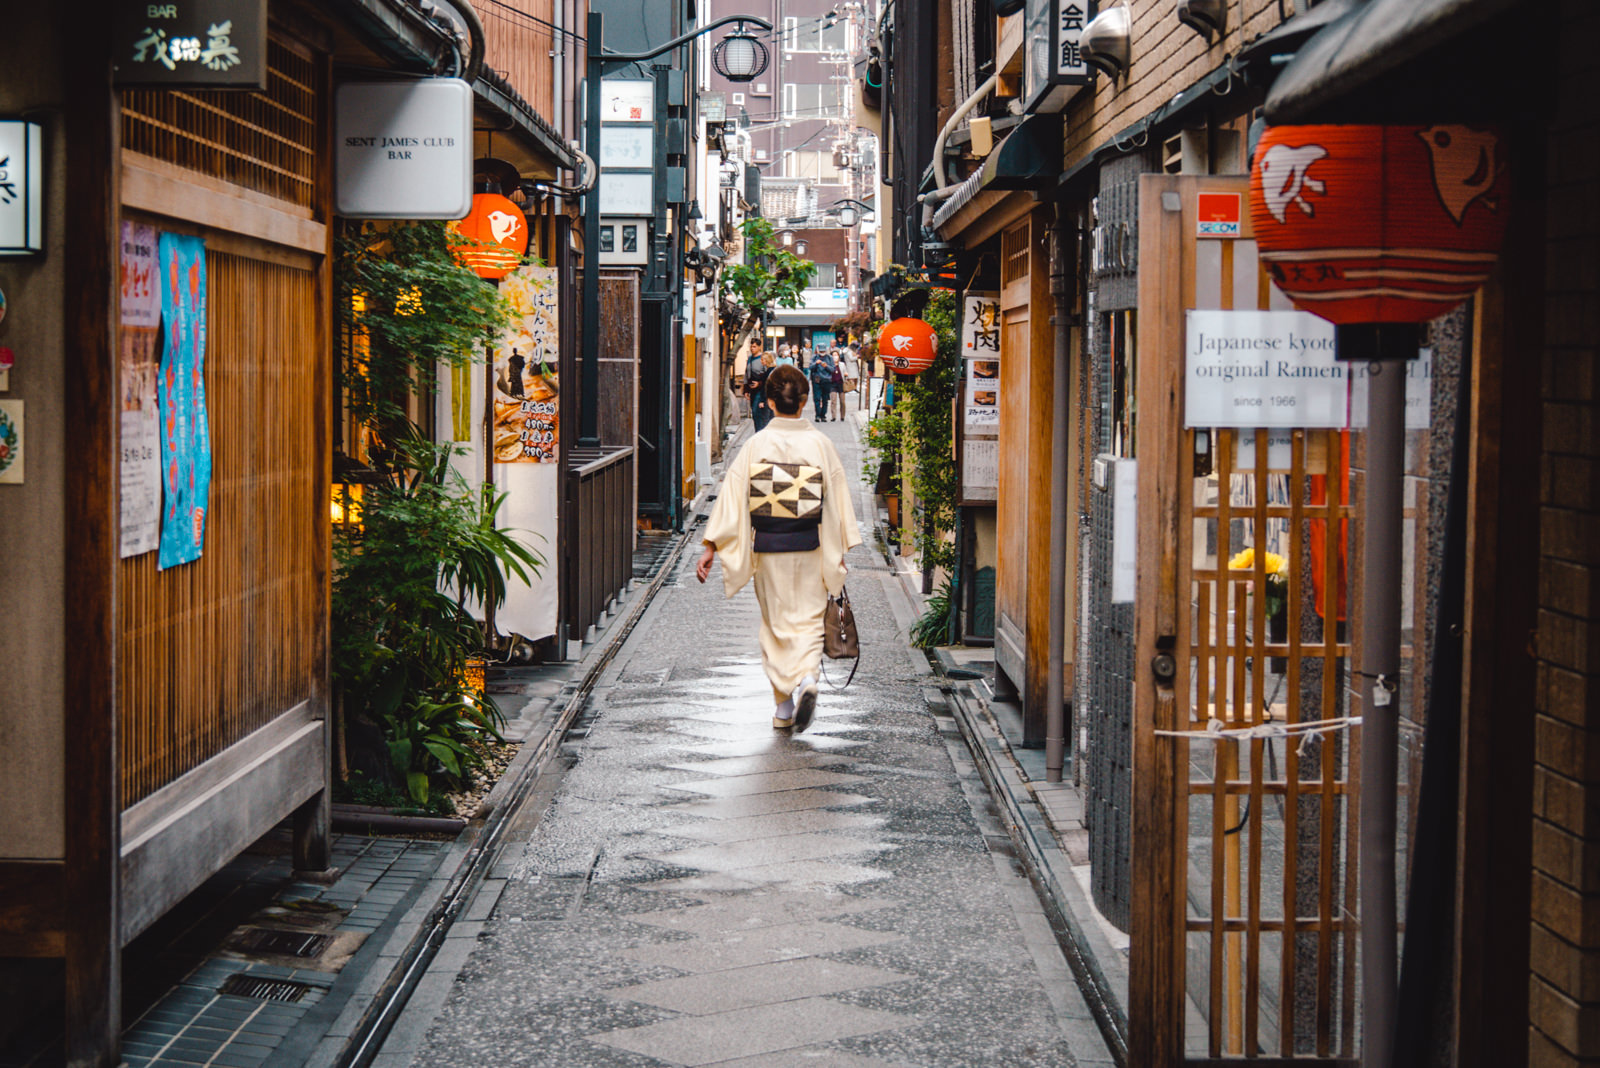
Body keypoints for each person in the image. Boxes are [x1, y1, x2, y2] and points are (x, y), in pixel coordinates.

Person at [696, 364, 862, 732]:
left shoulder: (757, 445)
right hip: (813, 546)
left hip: (769, 546)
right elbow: (837, 503)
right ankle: (805, 678)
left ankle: (784, 706)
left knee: (775, 626)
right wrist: (838, 550)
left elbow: (732, 498)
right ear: (804, 402)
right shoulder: (821, 444)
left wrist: (711, 545)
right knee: (807, 621)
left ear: (770, 402)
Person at [743, 339, 776, 432]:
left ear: (759, 347)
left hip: (761, 390)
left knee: (757, 411)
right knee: (754, 413)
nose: (752, 348)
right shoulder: (750, 358)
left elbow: (767, 377)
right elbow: (746, 373)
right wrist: (746, 389)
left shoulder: (763, 359)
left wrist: (759, 384)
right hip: (752, 388)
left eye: (754, 346)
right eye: (751, 346)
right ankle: (758, 431)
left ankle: (760, 432)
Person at [809, 346, 836, 421]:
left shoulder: (830, 358)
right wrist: (816, 364)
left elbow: (833, 369)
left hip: (827, 380)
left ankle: (823, 415)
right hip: (817, 380)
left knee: (825, 399)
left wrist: (826, 366)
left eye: (823, 351)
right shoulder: (814, 357)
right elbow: (810, 367)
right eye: (820, 351)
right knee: (817, 398)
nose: (822, 353)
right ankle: (817, 415)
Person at [831, 346, 856, 421]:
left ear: (839, 356)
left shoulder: (842, 364)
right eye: (833, 355)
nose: (835, 357)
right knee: (833, 401)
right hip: (832, 384)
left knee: (842, 401)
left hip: (841, 384)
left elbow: (845, 372)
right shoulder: (830, 365)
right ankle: (833, 416)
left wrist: (846, 374)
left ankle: (842, 416)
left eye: (836, 355)